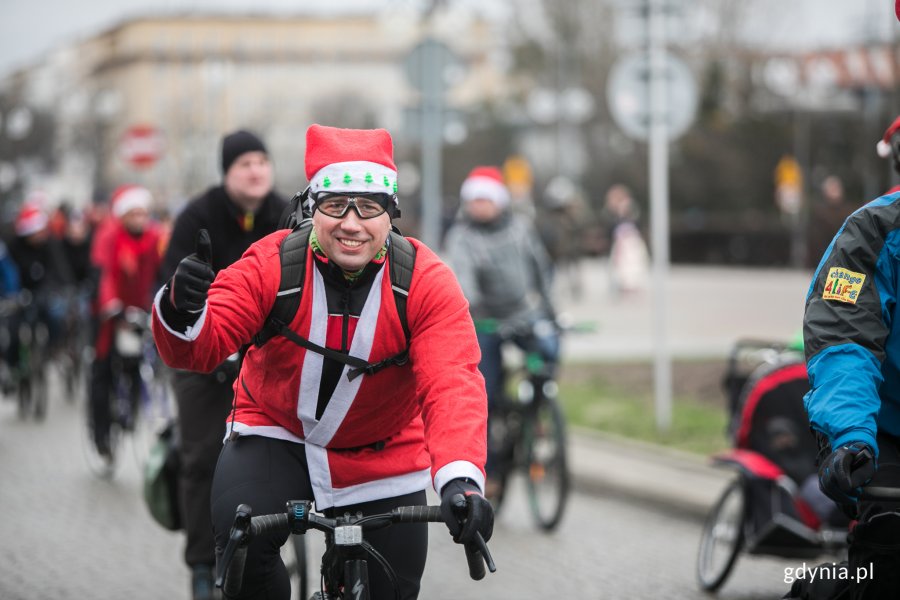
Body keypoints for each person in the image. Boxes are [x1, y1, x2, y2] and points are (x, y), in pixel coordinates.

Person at [152, 124, 492, 600]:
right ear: (313, 209)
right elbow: (201, 346)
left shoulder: (425, 280)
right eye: (335, 205)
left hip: (385, 451)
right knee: (241, 552)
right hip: (276, 431)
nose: (351, 224)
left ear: (390, 214)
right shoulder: (272, 262)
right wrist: (181, 309)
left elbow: (453, 381)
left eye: (369, 207)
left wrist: (461, 481)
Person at [159, 129, 289, 600]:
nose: (255, 171)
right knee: (203, 458)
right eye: (244, 164)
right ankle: (200, 563)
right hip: (205, 353)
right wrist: (188, 302)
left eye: (262, 160)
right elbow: (170, 286)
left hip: (266, 354)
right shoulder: (199, 214)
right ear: (227, 173)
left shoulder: (285, 212)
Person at [788, 116, 900, 600]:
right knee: (883, 562)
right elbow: (844, 341)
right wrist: (852, 437)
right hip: (887, 433)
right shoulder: (874, 232)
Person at [443, 165, 557, 495]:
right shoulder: (462, 235)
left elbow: (541, 268)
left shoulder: (520, 228)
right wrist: (474, 307)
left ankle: (538, 412)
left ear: (499, 201)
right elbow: (463, 276)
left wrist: (549, 310)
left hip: (524, 314)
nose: (480, 206)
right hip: (484, 320)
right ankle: (489, 470)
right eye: (475, 200)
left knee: (549, 351)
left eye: (486, 199)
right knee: (486, 394)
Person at [88, 185, 162, 462]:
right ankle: (100, 434)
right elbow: (104, 273)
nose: (140, 219)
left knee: (136, 362)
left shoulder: (154, 237)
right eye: (134, 213)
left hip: (139, 310)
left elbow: (161, 270)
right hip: (110, 314)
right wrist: (110, 305)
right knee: (102, 372)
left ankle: (130, 412)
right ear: (123, 215)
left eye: (144, 213)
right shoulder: (109, 235)